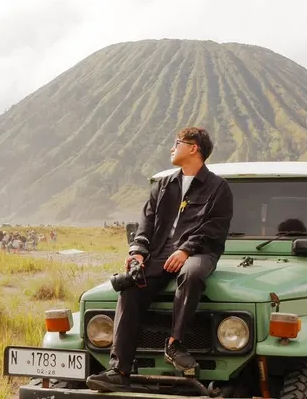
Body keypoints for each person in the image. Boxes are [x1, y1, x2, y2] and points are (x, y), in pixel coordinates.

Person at [86, 127, 233, 392]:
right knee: (130, 285)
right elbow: (147, 223)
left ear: (194, 148)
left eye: (177, 143)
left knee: (192, 274)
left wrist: (186, 249)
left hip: (199, 253)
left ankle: (174, 344)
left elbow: (215, 228)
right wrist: (137, 252)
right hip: (160, 253)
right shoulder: (163, 185)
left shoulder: (218, 188)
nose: (171, 148)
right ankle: (119, 370)